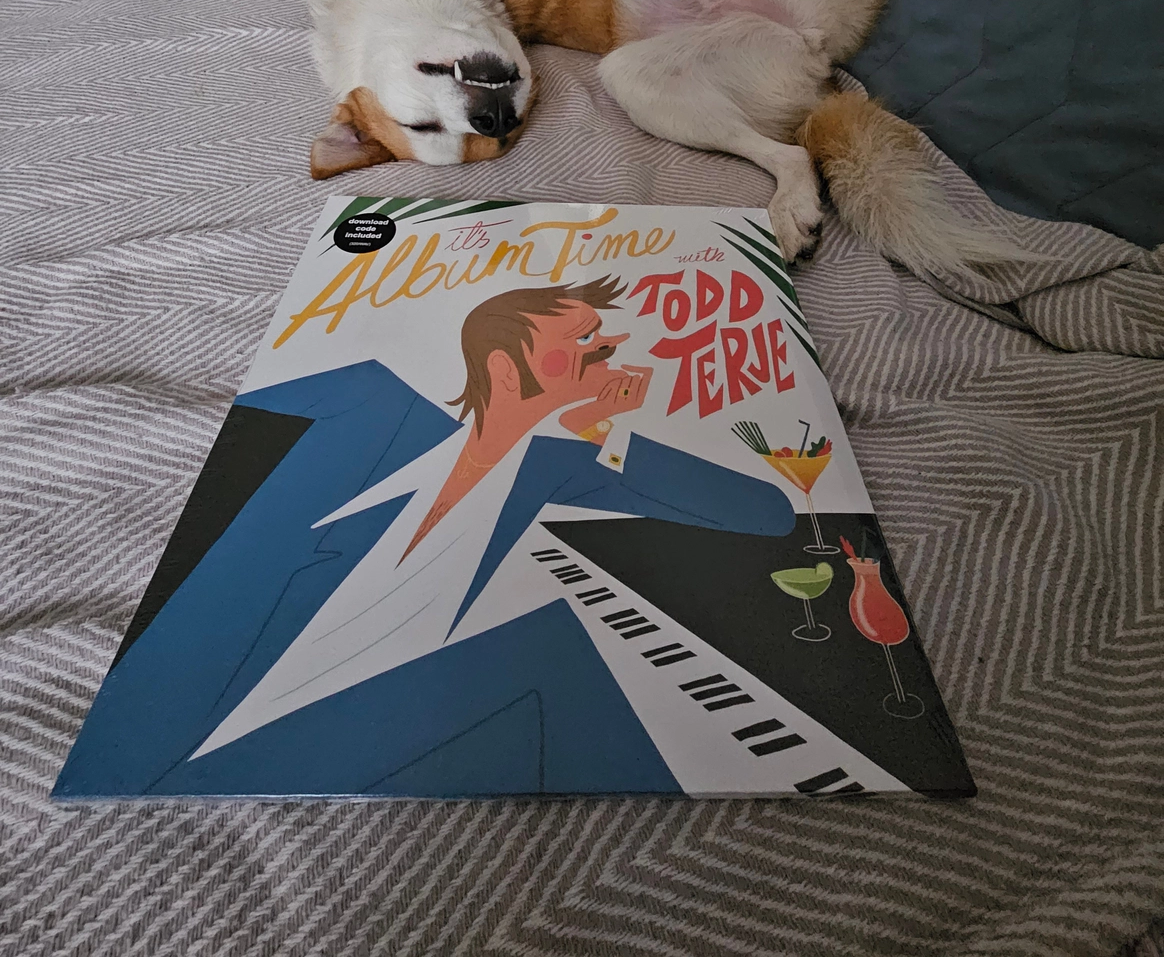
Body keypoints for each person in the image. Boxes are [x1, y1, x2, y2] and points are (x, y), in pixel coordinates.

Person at [57, 279, 796, 797]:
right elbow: (216, 432)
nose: (606, 348)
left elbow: (766, 514)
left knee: (560, 657)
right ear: (504, 366)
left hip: (342, 730)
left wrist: (606, 431)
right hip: (164, 701)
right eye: (582, 338)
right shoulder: (366, 398)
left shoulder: (569, 467)